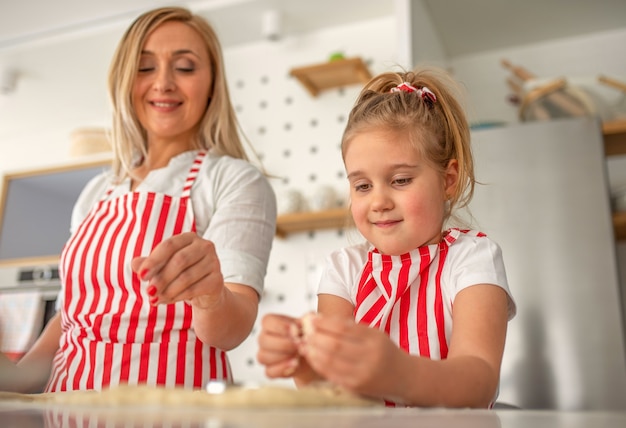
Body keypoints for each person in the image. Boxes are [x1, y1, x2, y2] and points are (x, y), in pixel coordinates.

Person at [0, 6, 276, 393]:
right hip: (65, 412)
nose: (163, 83)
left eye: (184, 67)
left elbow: (231, 330)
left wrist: (211, 296)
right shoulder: (97, 192)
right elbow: (68, 324)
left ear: (212, 83)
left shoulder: (234, 180)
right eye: (145, 67)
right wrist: (8, 381)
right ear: (124, 81)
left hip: (172, 415)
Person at [256, 67, 516, 408]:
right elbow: (334, 395)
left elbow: (479, 379)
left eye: (401, 180)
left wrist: (399, 373)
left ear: (448, 180)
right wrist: (305, 367)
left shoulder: (472, 258)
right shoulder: (344, 269)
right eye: (362, 186)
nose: (378, 202)